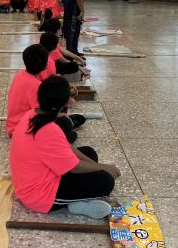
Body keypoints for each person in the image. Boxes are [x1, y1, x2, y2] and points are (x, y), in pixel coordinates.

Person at [9, 76, 119, 218]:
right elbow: (75, 167)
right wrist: (104, 168)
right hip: (39, 195)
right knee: (106, 181)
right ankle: (74, 203)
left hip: (39, 176)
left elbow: (66, 147)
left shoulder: (32, 114)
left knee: (89, 152)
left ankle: (77, 199)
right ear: (65, 103)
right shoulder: (49, 130)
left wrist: (98, 167)